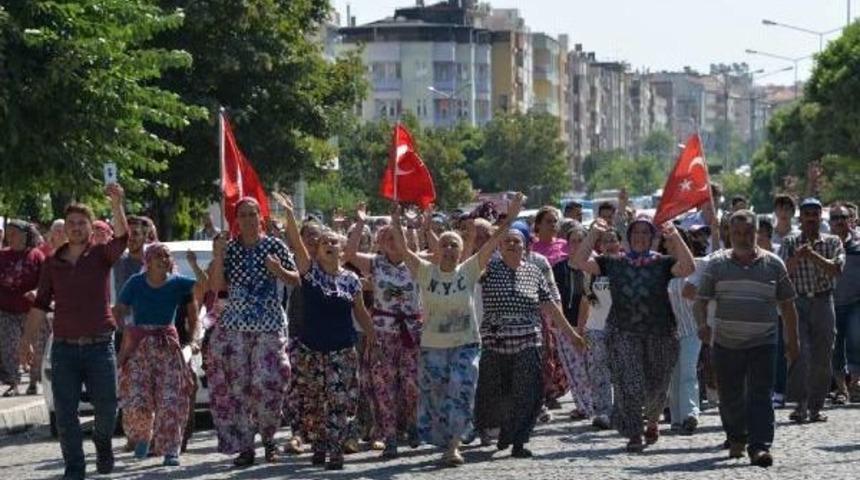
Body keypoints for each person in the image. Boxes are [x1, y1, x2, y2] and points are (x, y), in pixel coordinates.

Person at [19, 185, 128, 480]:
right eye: (71, 224)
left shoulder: (101, 255)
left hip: (99, 346)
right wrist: (27, 342)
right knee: (65, 414)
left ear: (91, 229)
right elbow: (41, 304)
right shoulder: (53, 263)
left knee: (107, 406)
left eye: (82, 223)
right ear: (64, 229)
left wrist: (117, 204)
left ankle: (102, 442)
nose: (76, 228)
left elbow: (122, 238)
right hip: (65, 348)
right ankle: (75, 469)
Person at [573, 215, 695, 452]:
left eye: (645, 233)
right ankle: (634, 432)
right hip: (623, 333)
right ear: (628, 237)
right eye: (636, 233)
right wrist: (593, 234)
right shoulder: (615, 262)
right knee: (629, 383)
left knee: (657, 384)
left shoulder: (662, 262)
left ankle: (652, 420)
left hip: (659, 332)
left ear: (652, 238)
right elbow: (579, 261)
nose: (640, 237)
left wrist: (676, 236)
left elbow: (688, 267)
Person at [475, 211, 587, 459]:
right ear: (500, 246)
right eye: (508, 241)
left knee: (528, 393)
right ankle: (505, 430)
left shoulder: (534, 272)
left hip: (529, 340)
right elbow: (478, 258)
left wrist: (572, 335)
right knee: (499, 394)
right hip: (496, 343)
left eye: (518, 241)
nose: (513, 245)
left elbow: (550, 307)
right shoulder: (489, 269)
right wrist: (506, 222)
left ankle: (519, 440)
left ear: (526, 246)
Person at [278, 194, 376, 471]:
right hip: (312, 351)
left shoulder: (351, 279)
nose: (330, 245)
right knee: (315, 404)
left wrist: (373, 336)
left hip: (343, 349)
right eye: (325, 242)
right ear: (318, 250)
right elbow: (297, 244)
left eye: (335, 242)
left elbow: (359, 312)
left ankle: (335, 450)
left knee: (340, 401)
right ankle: (320, 443)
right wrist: (288, 214)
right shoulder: (309, 272)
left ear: (343, 249)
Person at [695, 210, 800, 467]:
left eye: (747, 233)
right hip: (726, 342)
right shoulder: (717, 265)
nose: (742, 238)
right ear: (730, 234)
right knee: (730, 396)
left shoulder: (774, 264)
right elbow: (700, 301)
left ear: (757, 233)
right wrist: (702, 326)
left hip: (763, 341)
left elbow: (787, 305)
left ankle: (759, 446)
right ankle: (736, 437)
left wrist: (793, 342)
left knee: (760, 394)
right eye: (737, 233)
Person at [208, 197, 297, 466]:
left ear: (261, 217)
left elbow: (296, 279)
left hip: (269, 324)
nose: (247, 219)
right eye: (243, 215)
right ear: (237, 219)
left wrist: (278, 269)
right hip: (236, 326)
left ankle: (270, 439)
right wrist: (219, 255)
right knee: (240, 387)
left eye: (252, 214)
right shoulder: (231, 249)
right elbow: (216, 287)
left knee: (269, 382)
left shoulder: (274, 245)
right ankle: (246, 446)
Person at [344, 202, 422, 459]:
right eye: (385, 237)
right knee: (383, 387)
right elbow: (350, 253)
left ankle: (411, 423)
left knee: (412, 384)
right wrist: (360, 222)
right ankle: (389, 437)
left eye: (394, 236)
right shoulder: (376, 263)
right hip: (382, 334)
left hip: (410, 333)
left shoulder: (415, 263)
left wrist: (407, 224)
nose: (390, 241)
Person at [112, 243, 199, 467]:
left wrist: (194, 265)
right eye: (158, 256)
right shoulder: (136, 282)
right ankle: (142, 437)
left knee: (171, 399)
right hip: (140, 346)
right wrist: (124, 328)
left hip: (167, 346)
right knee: (137, 400)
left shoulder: (178, 283)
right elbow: (119, 308)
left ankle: (171, 450)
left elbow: (203, 289)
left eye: (166, 256)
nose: (163, 259)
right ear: (148, 261)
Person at [779, 198, 844, 423]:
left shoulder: (833, 241)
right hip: (797, 303)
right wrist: (798, 256)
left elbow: (837, 269)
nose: (811, 218)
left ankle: (816, 406)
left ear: (820, 217)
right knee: (800, 353)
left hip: (823, 302)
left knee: (823, 355)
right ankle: (801, 405)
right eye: (807, 214)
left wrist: (813, 256)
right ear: (801, 217)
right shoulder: (789, 241)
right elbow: (782, 272)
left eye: (815, 214)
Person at [579, 228, 623, 430]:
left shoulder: (627, 264)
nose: (610, 243)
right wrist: (581, 328)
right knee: (600, 371)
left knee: (622, 370)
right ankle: (604, 412)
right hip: (596, 327)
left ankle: (623, 410)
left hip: (622, 328)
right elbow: (586, 299)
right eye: (605, 241)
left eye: (614, 240)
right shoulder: (595, 267)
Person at [551, 226, 595, 422]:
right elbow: (553, 297)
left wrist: (584, 324)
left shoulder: (594, 266)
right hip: (566, 326)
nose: (577, 245)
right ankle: (583, 406)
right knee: (574, 369)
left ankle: (595, 405)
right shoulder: (558, 269)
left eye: (581, 240)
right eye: (573, 241)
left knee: (592, 368)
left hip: (592, 325)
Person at [666, 229, 707, 435]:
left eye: (675, 241)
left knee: (688, 371)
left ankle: (691, 413)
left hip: (692, 327)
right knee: (674, 375)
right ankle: (676, 418)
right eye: (668, 242)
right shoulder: (662, 267)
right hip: (670, 330)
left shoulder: (699, 265)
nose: (671, 245)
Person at [0, 220, 45, 397]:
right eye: (8, 234)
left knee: (36, 347)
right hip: (6, 310)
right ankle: (13, 383)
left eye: (14, 234)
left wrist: (36, 291)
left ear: (25, 236)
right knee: (9, 347)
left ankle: (34, 381)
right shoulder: (2, 256)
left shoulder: (36, 256)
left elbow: (46, 282)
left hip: (32, 311)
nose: (10, 238)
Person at [828, 203, 860, 404]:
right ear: (829, 223)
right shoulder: (825, 246)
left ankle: (855, 384)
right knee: (835, 347)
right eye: (835, 218)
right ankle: (841, 389)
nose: (839, 221)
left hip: (856, 303)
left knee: (856, 342)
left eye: (843, 217)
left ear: (851, 220)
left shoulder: (858, 246)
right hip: (830, 303)